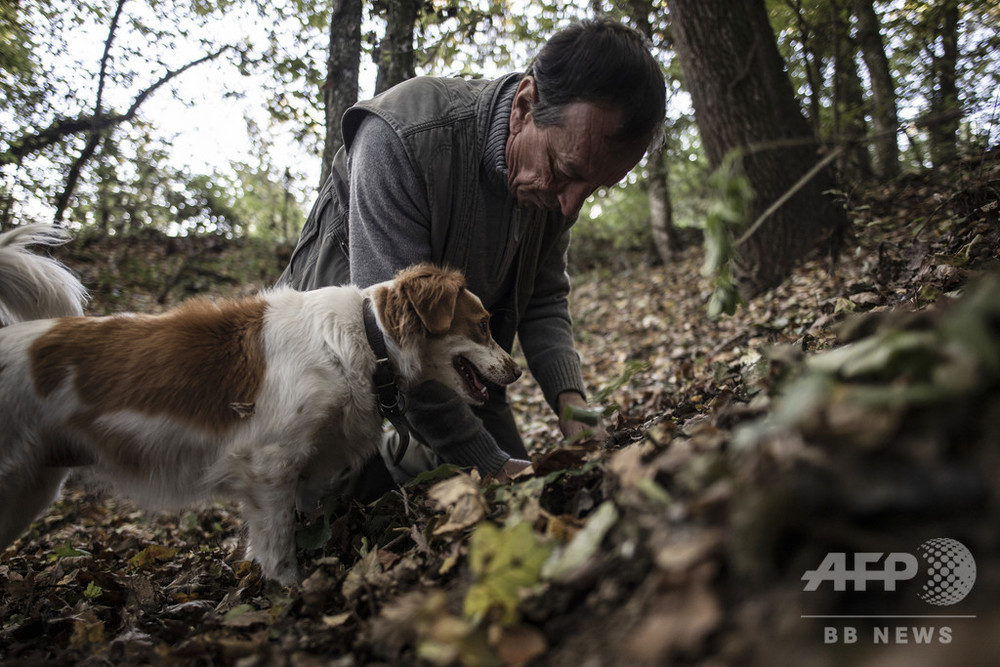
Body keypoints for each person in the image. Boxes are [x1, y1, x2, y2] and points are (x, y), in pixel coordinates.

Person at [278, 17, 666, 498]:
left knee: (544, 499)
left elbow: (543, 301)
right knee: (340, 529)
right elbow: (395, 345)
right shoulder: (401, 138)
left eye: (594, 187)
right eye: (565, 172)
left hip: (456, 371)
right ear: (526, 105)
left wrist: (574, 410)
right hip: (328, 380)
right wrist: (487, 463)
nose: (571, 205)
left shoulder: (556, 187)